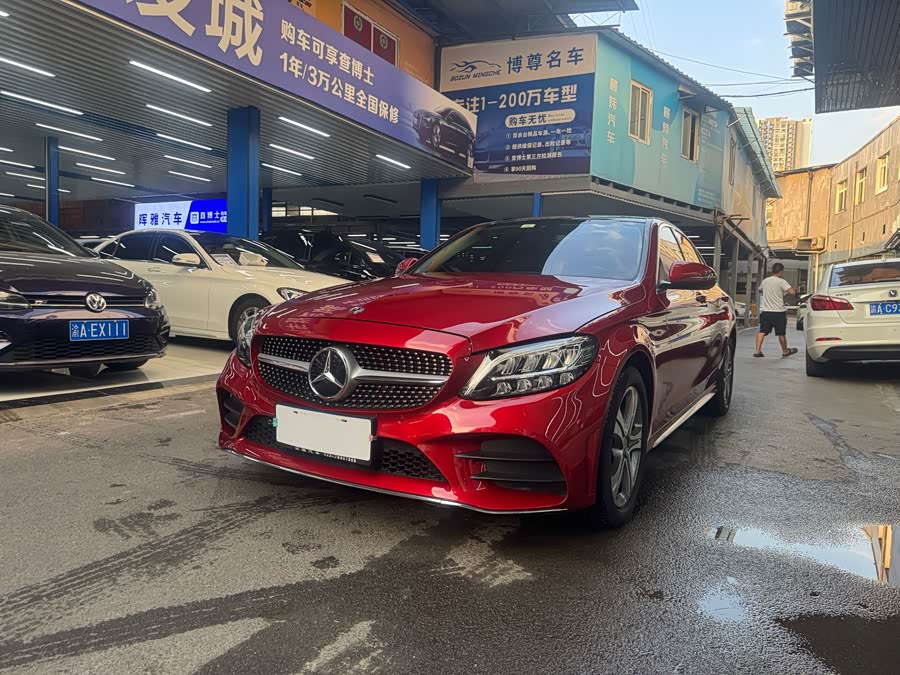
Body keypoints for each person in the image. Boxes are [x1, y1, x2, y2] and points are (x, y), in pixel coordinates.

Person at [754, 262, 797, 358]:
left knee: (762, 331)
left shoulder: (765, 281)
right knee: (781, 333)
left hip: (766, 311)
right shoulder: (781, 281)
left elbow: (760, 290)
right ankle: (785, 351)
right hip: (779, 313)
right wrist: (790, 290)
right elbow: (792, 292)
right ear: (781, 271)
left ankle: (757, 351)